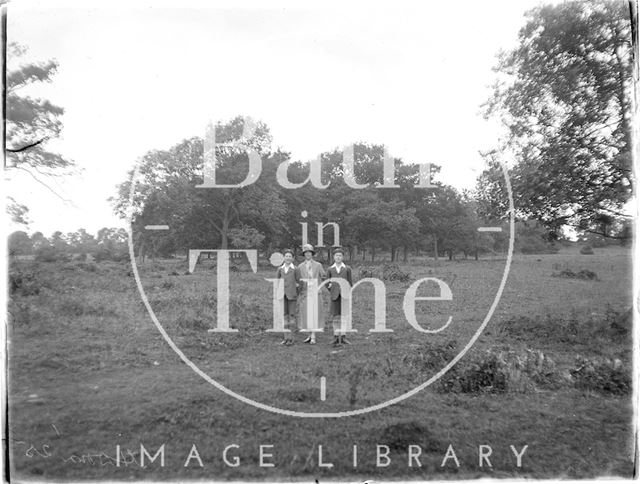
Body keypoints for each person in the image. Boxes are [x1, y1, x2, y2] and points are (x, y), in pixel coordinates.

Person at [296, 243, 326, 345]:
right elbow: (298, 280)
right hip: (305, 293)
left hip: (315, 293)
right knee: (306, 314)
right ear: (304, 254)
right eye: (306, 252)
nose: (308, 254)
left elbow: (324, 276)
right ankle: (309, 335)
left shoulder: (318, 265)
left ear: (312, 254)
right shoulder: (300, 266)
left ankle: (313, 336)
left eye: (309, 252)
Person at [326, 247, 353, 347]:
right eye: (336, 255)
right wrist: (331, 289)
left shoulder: (347, 269)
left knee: (344, 316)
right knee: (335, 316)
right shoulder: (330, 269)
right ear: (334, 257)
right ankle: (336, 336)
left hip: (344, 296)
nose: (338, 257)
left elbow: (350, 283)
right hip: (334, 296)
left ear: (343, 257)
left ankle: (343, 336)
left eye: (340, 255)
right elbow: (326, 282)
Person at [275, 248, 299, 346]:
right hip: (282, 296)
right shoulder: (280, 269)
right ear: (283, 258)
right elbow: (277, 282)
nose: (288, 258)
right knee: (284, 316)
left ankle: (291, 338)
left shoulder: (295, 269)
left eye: (290, 256)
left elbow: (299, 282)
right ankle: (286, 337)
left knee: (291, 316)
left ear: (293, 258)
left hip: (292, 295)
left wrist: (295, 292)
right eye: (286, 256)